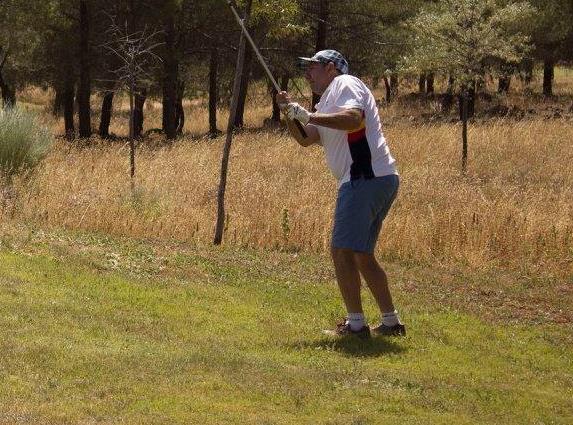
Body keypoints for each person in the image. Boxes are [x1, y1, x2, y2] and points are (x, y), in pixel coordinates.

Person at [276, 50, 405, 338]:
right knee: (361, 254)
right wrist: (289, 114)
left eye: (313, 68)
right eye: (305, 68)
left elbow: (354, 119)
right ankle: (391, 323)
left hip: (364, 178)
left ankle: (356, 326)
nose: (307, 74)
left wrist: (308, 114)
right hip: (375, 179)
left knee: (341, 251)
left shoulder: (344, 83)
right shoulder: (325, 102)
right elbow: (305, 138)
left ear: (331, 67)